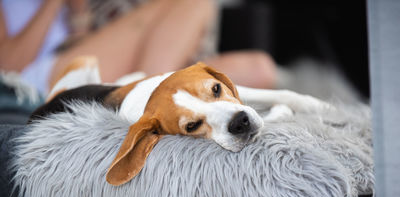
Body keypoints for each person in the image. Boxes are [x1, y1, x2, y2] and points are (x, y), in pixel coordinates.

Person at [0, 0, 276, 94]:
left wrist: (78, 15)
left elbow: (78, 41)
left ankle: (156, 91)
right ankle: (154, 103)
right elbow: (8, 68)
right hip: (36, 79)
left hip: (82, 66)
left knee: (259, 69)